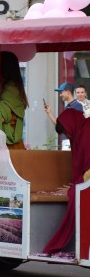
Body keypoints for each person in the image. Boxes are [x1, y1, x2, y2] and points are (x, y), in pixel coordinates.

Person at [43, 108, 90, 255]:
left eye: (67, 132)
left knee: (75, 194)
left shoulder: (86, 132)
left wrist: (74, 187)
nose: (68, 136)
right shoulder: (81, 132)